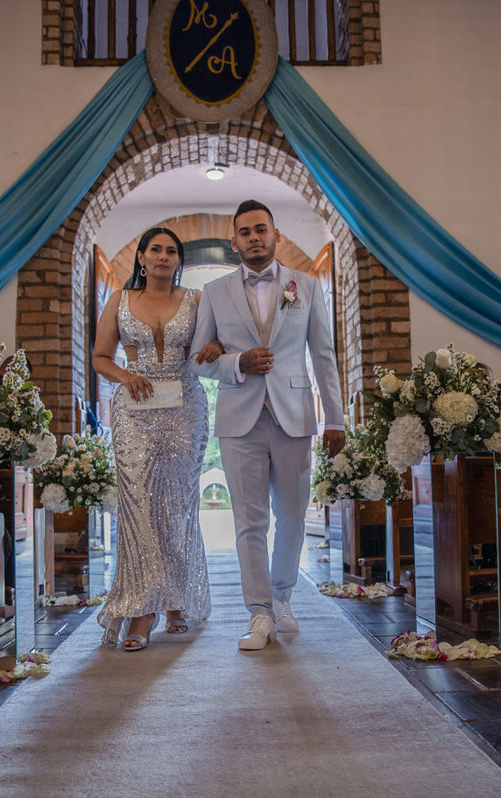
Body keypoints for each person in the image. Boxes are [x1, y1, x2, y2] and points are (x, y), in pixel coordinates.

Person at [190, 200, 346, 651]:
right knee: (249, 521)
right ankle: (258, 613)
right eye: (245, 232)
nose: (254, 238)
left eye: (261, 229)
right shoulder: (215, 293)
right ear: (234, 241)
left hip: (295, 414)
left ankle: (282, 596)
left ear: (275, 235)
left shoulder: (308, 287)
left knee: (294, 518)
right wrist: (238, 362)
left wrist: (334, 417)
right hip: (239, 418)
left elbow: (323, 356)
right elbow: (199, 361)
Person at [91, 227, 219, 651]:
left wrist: (214, 347)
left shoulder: (196, 301)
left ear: (178, 260)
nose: (163, 256)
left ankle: (177, 601)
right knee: (140, 508)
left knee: (178, 506)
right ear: (142, 258)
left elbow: (215, 342)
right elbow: (99, 358)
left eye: (171, 251)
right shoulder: (120, 301)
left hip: (185, 408)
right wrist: (126, 375)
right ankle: (142, 609)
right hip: (134, 409)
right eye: (155, 250)